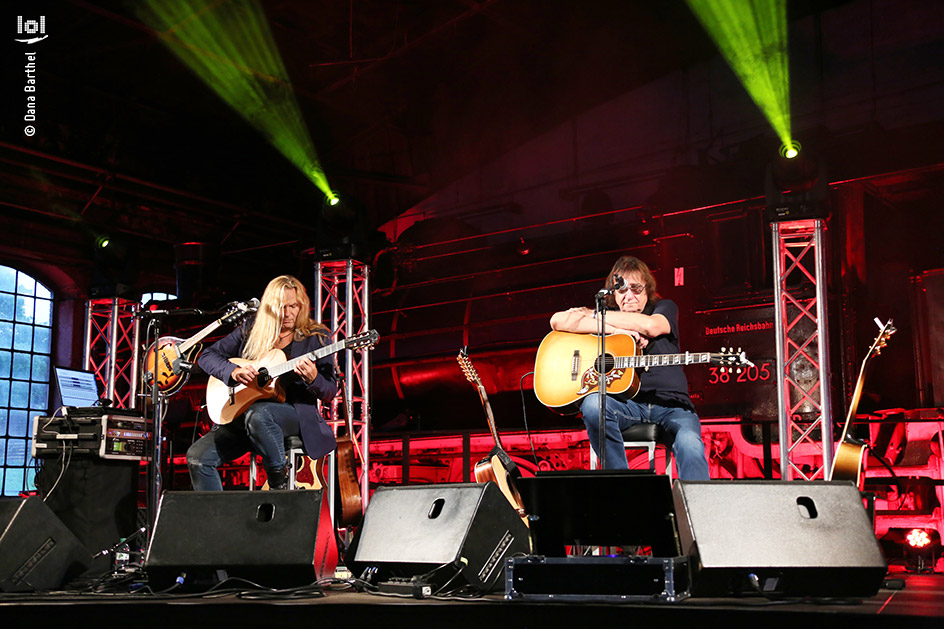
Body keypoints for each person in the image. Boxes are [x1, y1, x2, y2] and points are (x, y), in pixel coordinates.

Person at [549, 255, 710, 480]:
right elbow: (557, 321)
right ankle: (623, 487)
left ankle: (698, 510)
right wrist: (615, 331)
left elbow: (651, 326)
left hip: (672, 405)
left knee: (690, 444)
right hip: (629, 405)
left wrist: (593, 315)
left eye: (636, 288)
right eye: (622, 290)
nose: (629, 296)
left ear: (647, 289)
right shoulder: (609, 322)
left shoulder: (663, 308)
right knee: (594, 404)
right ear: (614, 294)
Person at [187, 275, 338, 491]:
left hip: (291, 414)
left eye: (293, 306)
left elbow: (330, 391)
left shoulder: (316, 337)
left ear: (301, 305)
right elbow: (206, 356)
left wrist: (313, 378)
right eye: (281, 307)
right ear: (268, 307)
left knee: (260, 414)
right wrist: (234, 371)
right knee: (198, 458)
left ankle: (278, 481)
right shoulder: (251, 329)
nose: (287, 313)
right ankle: (219, 521)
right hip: (242, 416)